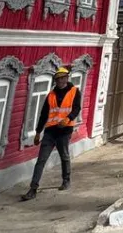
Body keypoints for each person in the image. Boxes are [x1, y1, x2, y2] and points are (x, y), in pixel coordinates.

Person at [20, 66, 82, 201]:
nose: (60, 81)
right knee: (41, 160)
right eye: (58, 79)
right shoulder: (51, 95)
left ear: (67, 78)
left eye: (63, 78)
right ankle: (33, 189)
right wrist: (38, 132)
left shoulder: (74, 91)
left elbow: (77, 108)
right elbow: (43, 114)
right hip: (50, 131)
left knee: (64, 156)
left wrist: (68, 119)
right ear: (55, 80)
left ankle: (66, 180)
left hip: (65, 130)